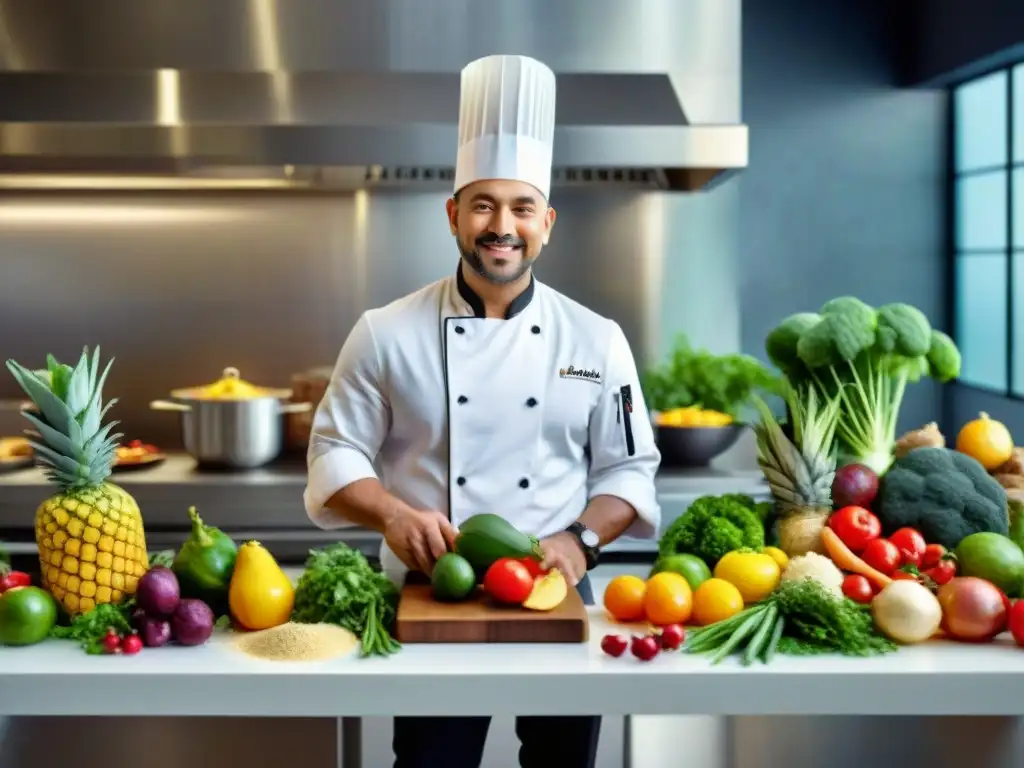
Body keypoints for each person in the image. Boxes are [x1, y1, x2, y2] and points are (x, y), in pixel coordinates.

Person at [303, 53, 661, 768]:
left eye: (522, 207)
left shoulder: (597, 338)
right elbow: (333, 454)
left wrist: (580, 543)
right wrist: (393, 516)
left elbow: (629, 471)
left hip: (557, 587)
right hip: (433, 586)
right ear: (454, 215)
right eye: (484, 205)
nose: (503, 226)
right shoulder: (386, 331)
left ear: (547, 222)